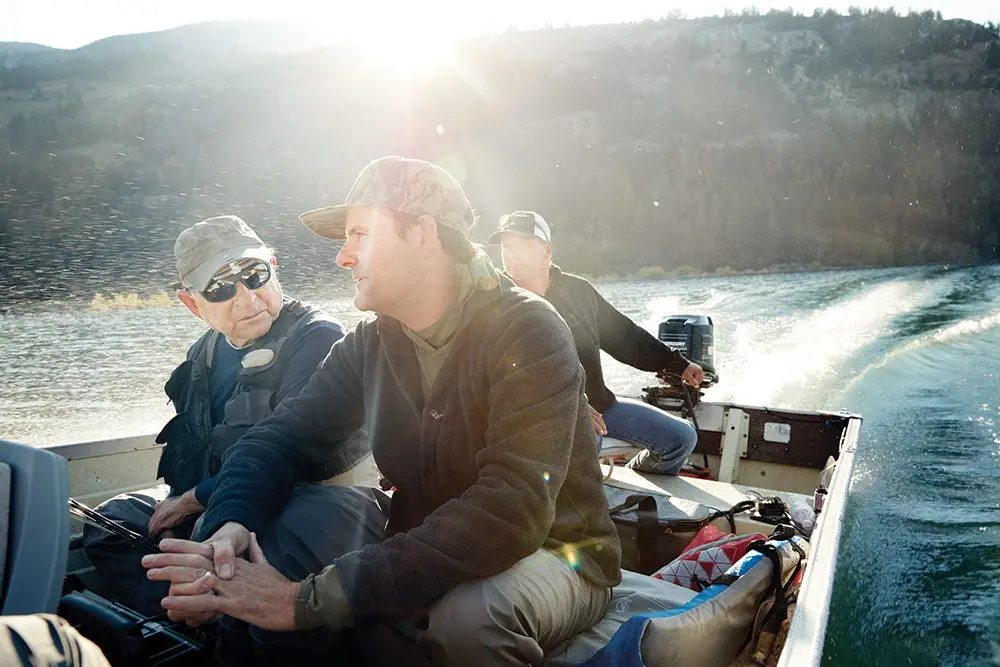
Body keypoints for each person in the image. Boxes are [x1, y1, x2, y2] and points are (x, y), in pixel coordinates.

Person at [140, 156, 623, 667]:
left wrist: (304, 600)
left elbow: (513, 509)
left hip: (560, 554)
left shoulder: (527, 329)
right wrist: (228, 526)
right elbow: (281, 438)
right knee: (272, 540)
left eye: (360, 235)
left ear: (421, 233)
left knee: (469, 620)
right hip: (429, 535)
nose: (343, 257)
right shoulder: (373, 342)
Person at [83, 214, 372, 617]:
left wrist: (193, 501)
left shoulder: (318, 337)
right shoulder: (202, 353)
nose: (248, 298)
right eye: (220, 288)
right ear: (191, 304)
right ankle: (181, 620)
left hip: (291, 499)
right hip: (205, 499)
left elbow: (301, 455)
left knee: (222, 539)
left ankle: (207, 611)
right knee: (110, 523)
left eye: (255, 275)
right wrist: (181, 502)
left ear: (274, 265)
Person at [488, 210, 703, 475]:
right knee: (585, 448)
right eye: (506, 247)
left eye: (522, 245)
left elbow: (625, 337)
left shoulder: (579, 293)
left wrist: (677, 364)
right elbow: (500, 374)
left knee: (681, 439)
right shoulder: (494, 302)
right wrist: (571, 403)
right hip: (539, 418)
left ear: (547, 251)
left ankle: (630, 497)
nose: (510, 254)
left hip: (600, 406)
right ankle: (589, 507)